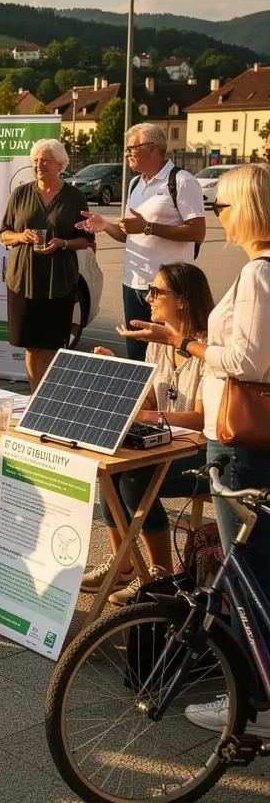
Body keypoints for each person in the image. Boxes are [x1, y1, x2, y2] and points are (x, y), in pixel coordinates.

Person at [119, 164, 270, 736]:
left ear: (248, 210)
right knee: (256, 571)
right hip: (246, 440)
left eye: (223, 207)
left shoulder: (258, 274)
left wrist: (184, 342)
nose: (217, 217)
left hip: (239, 442)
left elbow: (248, 363)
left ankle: (253, 705)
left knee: (249, 574)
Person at [82, 262, 213, 604]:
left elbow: (200, 419)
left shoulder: (207, 348)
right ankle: (125, 564)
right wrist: (121, 372)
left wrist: (150, 416)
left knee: (134, 478)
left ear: (183, 300)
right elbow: (153, 397)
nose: (148, 297)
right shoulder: (160, 341)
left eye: (157, 291)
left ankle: (161, 575)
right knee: (109, 469)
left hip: (202, 452)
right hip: (168, 443)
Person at [77, 123, 205, 361]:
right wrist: (105, 225)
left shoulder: (182, 181)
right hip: (133, 285)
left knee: (170, 356)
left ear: (151, 149)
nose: (126, 154)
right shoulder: (135, 184)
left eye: (130, 148)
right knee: (137, 356)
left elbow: (198, 232)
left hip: (169, 289)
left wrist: (148, 226)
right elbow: (128, 235)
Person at [0, 139, 93, 390]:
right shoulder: (20, 193)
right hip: (24, 279)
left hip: (58, 280)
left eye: (45, 161)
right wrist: (21, 236)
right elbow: (3, 233)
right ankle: (33, 395)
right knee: (31, 345)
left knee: (52, 346)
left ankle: (47, 398)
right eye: (36, 161)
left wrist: (63, 243)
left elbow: (86, 239)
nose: (39, 165)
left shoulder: (75, 197)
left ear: (60, 164)